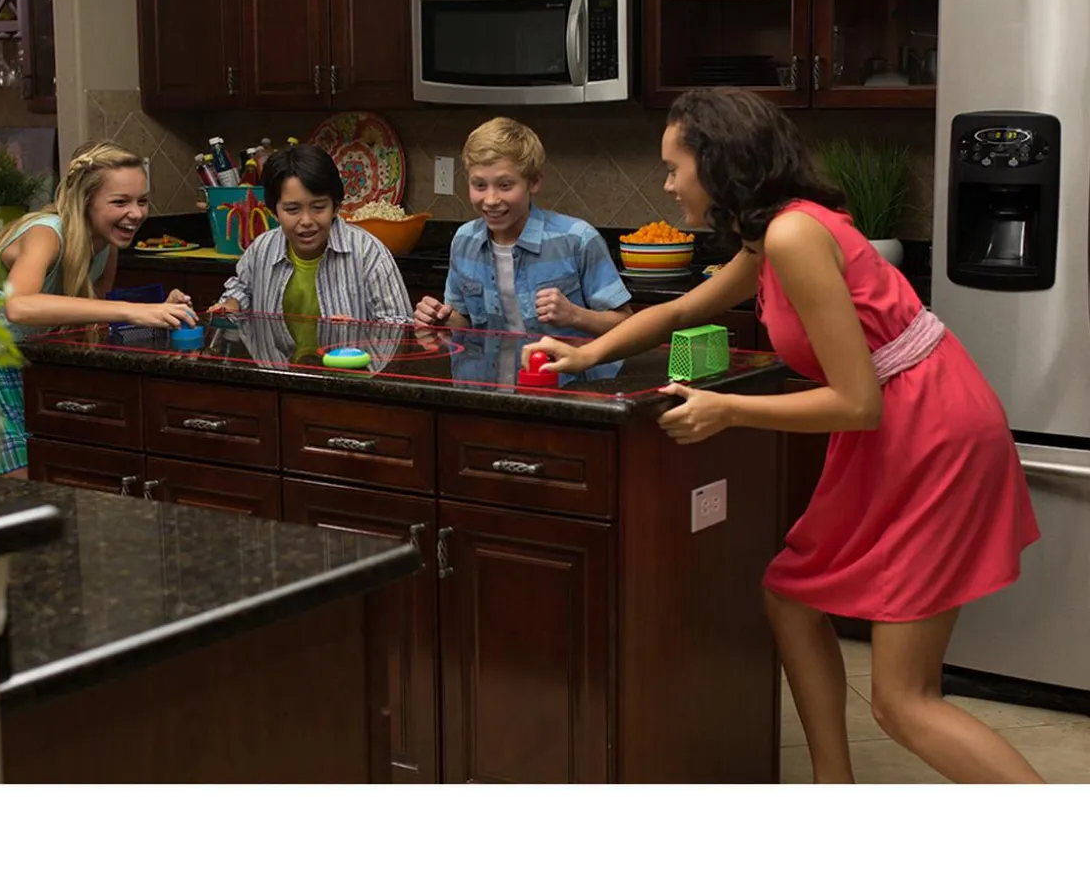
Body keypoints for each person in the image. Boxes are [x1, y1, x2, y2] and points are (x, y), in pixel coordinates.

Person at [526, 86, 1044, 784]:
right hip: (904, 425)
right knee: (791, 597)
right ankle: (833, 787)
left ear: (718, 162)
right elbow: (680, 310)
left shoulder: (794, 237)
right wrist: (584, 352)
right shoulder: (771, 235)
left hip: (930, 433)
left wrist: (727, 410)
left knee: (904, 702)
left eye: (675, 167)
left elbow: (857, 403)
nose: (669, 184)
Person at [0, 140, 197, 478]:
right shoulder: (46, 233)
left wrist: (156, 310)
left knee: (41, 474)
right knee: (17, 484)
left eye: (142, 201)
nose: (137, 213)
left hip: (16, 363)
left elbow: (89, 311)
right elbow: (18, 306)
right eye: (120, 202)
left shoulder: (105, 245)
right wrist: (132, 310)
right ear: (85, 201)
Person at [413, 117, 632, 339]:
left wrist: (575, 315)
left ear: (534, 182)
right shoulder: (464, 241)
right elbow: (465, 324)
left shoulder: (577, 240)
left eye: (505, 185)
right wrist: (442, 319)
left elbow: (627, 326)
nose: (490, 199)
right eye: (479, 185)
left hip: (561, 363)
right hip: (484, 364)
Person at [208, 144, 412, 352]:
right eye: (292, 209)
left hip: (350, 370)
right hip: (277, 369)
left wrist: (359, 333)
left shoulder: (368, 252)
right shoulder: (261, 249)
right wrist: (232, 304)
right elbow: (242, 288)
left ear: (336, 206)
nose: (306, 221)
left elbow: (401, 325)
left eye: (318, 207)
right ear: (274, 211)